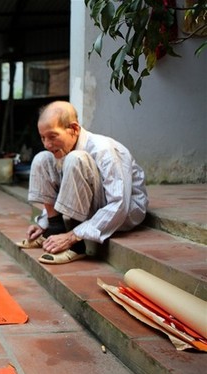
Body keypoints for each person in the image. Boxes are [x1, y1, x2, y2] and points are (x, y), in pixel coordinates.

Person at [19, 101, 148, 264]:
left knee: (75, 159)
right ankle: (55, 227)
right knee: (42, 158)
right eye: (43, 137)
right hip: (93, 207)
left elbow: (119, 204)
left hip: (123, 212)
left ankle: (77, 247)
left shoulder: (104, 150)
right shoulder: (64, 148)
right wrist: (45, 224)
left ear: (74, 129)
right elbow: (62, 186)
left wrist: (72, 236)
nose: (47, 144)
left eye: (52, 136)